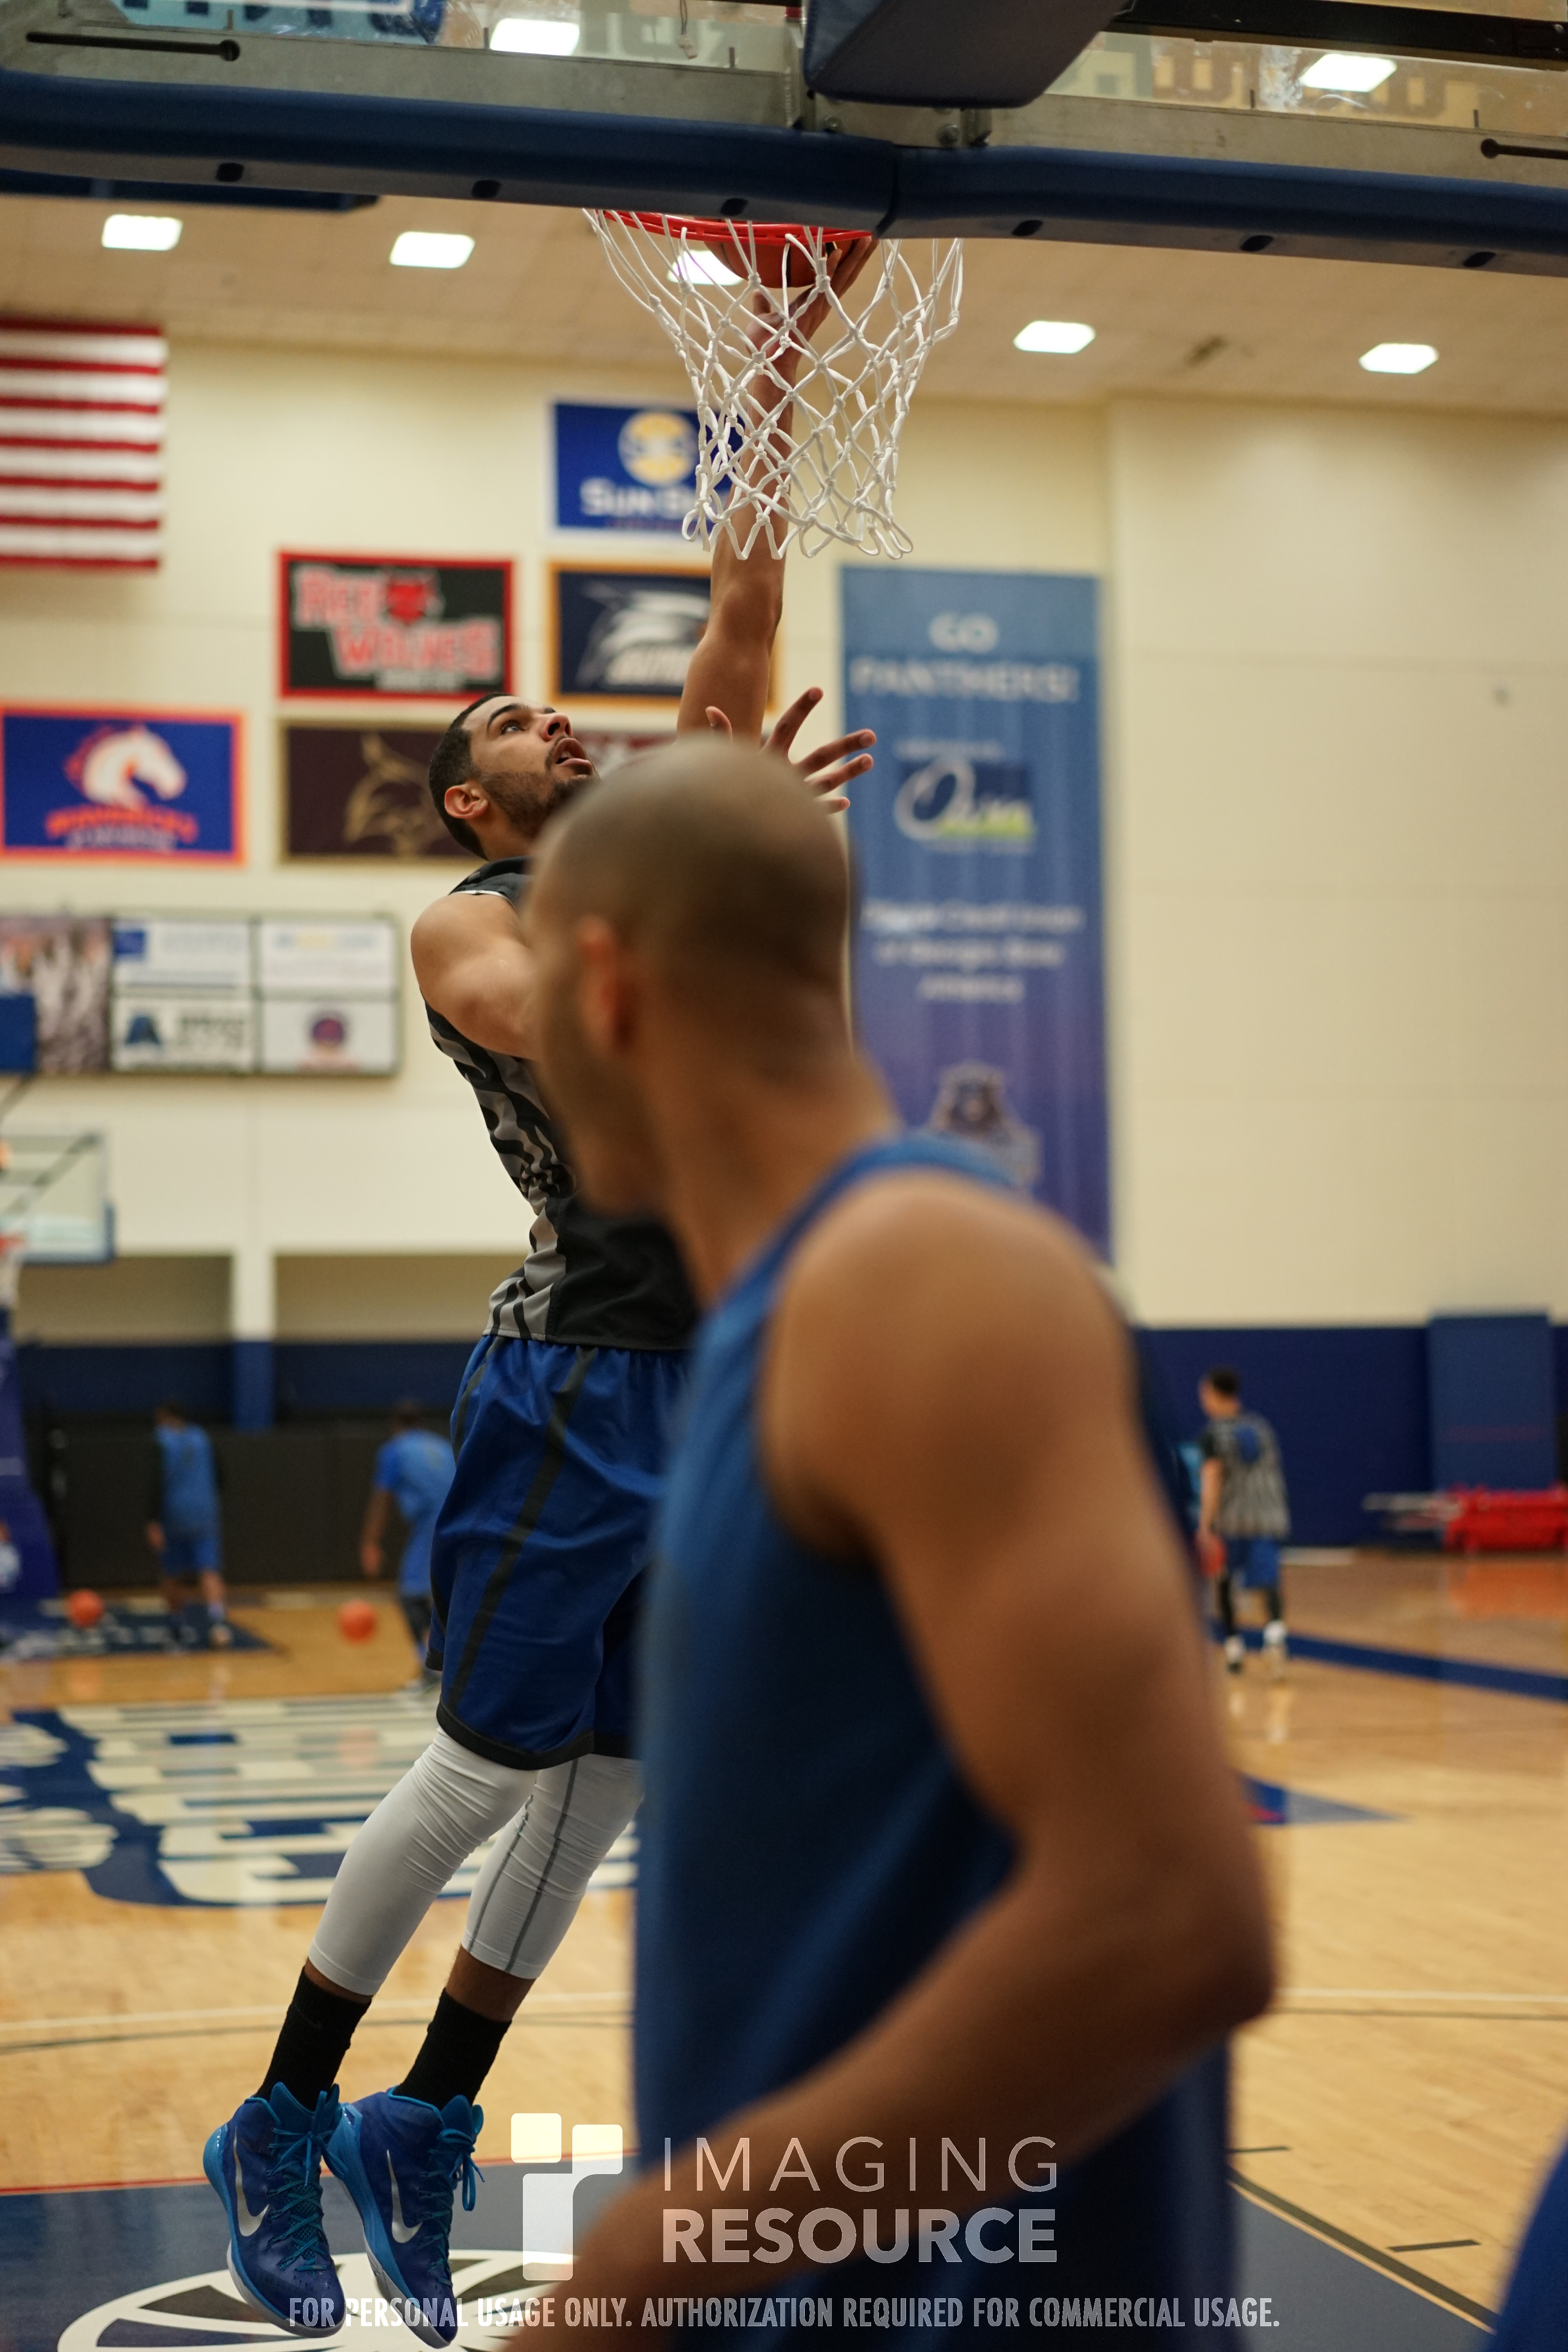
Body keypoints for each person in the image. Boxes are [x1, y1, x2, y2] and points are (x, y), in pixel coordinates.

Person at [203, 253, 876, 2350]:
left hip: (715, 1366)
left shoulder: (650, 866)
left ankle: (424, 2112)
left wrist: (774, 378)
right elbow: (575, 1057)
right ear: (478, 802)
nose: (557, 716)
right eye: (514, 723)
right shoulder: (470, 918)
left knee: (613, 1783)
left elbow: (742, 616)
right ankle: (279, 2110)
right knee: (487, 1762)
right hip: (576, 1372)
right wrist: (719, 873)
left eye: (563, 704)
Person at [516, 740, 1275, 2350]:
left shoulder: (914, 1278)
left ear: (609, 986)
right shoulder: (786, 1320)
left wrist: (653, 2257)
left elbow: (1172, 1919)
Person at [1196, 1366, 1291, 1674]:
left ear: (1214, 1394)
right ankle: (1275, 1637)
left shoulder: (1213, 1434)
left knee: (1225, 1583)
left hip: (1232, 1521)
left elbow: (1212, 1478)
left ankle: (1234, 1649)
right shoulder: (1263, 1428)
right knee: (1269, 1581)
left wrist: (1205, 1524)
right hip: (1266, 1518)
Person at [360, 1398, 454, 1675]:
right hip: (460, 1518)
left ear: (395, 1425)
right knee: (441, 1597)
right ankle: (444, 1664)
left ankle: (431, 1670)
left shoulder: (395, 1450)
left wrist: (370, 1543)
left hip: (432, 1523)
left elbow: (382, 1500)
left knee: (411, 1596)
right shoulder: (442, 1446)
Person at [147, 1399, 231, 1651]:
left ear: (164, 1417)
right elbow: (222, 1476)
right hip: (204, 1512)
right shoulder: (203, 1438)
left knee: (172, 1572)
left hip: (173, 1514)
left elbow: (155, 1482)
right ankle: (218, 1624)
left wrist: (152, 1520)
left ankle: (176, 1624)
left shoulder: (160, 1441)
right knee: (209, 1570)